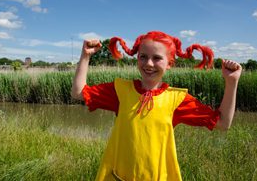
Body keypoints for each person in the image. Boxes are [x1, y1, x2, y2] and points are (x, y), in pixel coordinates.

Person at [71, 31, 242, 181]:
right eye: (143, 57)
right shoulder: (121, 91)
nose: (149, 64)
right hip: (118, 176)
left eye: (157, 58)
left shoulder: (176, 99)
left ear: (169, 63)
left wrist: (231, 82)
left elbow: (223, 123)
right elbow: (78, 93)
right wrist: (85, 56)